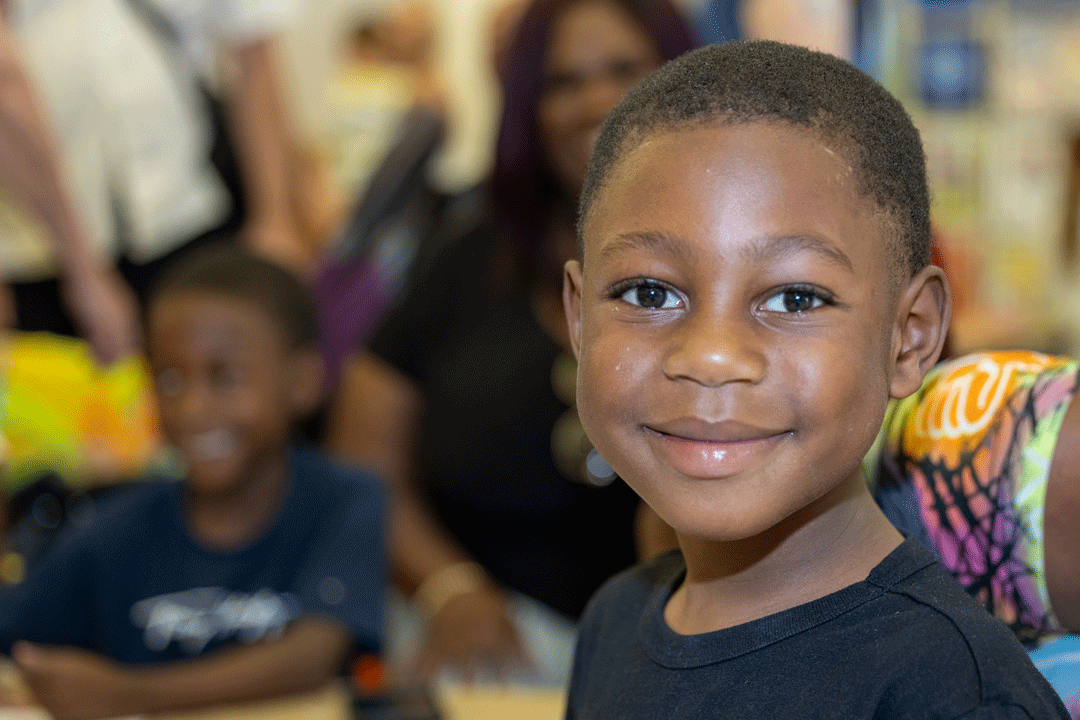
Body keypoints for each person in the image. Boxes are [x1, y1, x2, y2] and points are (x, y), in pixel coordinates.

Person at [560, 39, 1069, 718]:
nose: (711, 356)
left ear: (910, 335)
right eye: (649, 293)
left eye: (795, 298)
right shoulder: (613, 621)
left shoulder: (953, 696)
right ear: (579, 318)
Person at [325, 0, 696, 684]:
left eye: (625, 70)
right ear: (528, 107)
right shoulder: (464, 258)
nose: (597, 101)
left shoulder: (742, 266)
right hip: (492, 641)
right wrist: (449, 588)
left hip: (683, 643)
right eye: (563, 82)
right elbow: (362, 456)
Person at [0, 246, 384, 720]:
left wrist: (127, 694)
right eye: (170, 379)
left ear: (303, 381)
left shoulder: (344, 501)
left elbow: (310, 657)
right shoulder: (115, 530)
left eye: (225, 378)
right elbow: (13, 628)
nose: (193, 409)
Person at [2, 0, 308, 353]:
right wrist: (81, 267)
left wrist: (275, 220)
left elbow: (254, 48)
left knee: (216, 366)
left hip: (190, 212)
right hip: (41, 249)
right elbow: (7, 89)